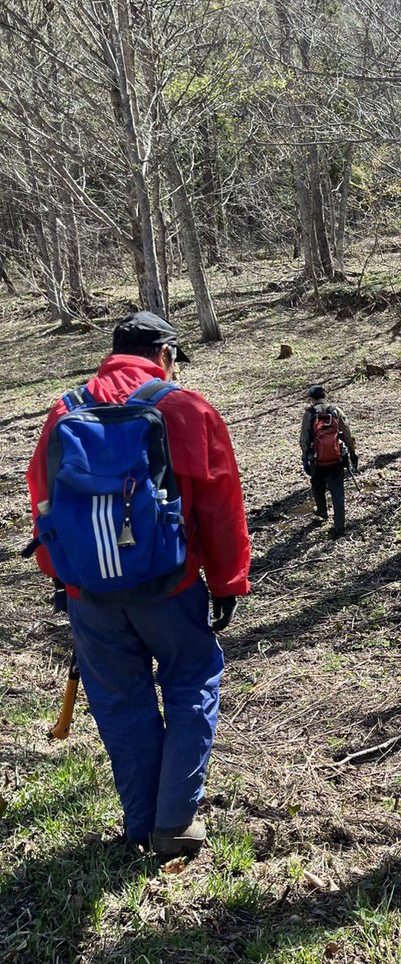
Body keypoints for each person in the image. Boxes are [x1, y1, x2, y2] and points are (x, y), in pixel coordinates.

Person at [26, 311, 251, 858]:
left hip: (90, 596)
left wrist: (64, 578)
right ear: (166, 356)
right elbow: (222, 507)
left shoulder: (64, 411)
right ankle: (174, 825)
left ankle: (141, 823)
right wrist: (227, 582)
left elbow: (42, 501)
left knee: (121, 704)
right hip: (170, 587)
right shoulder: (186, 408)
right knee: (192, 680)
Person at [299, 383, 358, 539]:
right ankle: (339, 525)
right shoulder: (336, 411)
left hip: (316, 459)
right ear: (325, 395)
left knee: (317, 485)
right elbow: (346, 433)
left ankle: (322, 511)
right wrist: (352, 454)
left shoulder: (309, 414)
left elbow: (304, 439)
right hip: (337, 457)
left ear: (311, 399)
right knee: (337, 490)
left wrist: (305, 457)